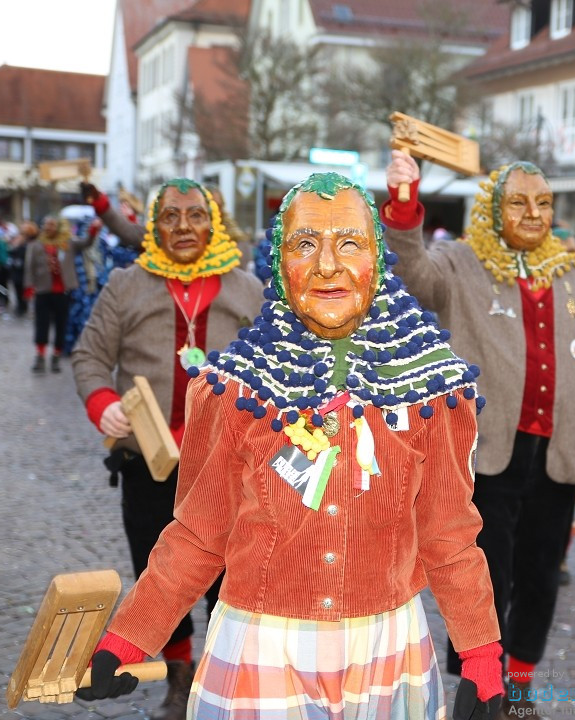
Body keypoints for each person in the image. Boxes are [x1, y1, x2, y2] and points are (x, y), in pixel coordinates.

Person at [76, 172, 504, 720]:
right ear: (280, 263)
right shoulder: (234, 391)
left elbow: (449, 535)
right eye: (306, 244)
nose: (328, 264)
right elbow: (197, 536)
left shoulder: (433, 394)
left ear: (378, 257)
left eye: (349, 243)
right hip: (261, 650)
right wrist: (127, 640)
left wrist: (483, 657)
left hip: (387, 652)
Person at [382, 152, 575, 717]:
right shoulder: (460, 262)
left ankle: (520, 685)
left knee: (540, 579)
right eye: (519, 202)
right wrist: (404, 207)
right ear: (493, 209)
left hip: (556, 455)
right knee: (481, 583)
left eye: (544, 203)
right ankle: (478, 693)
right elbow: (412, 276)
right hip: (484, 455)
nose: (533, 213)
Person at [71, 178, 263, 720]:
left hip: (228, 464)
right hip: (149, 462)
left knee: (231, 573)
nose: (184, 227)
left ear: (215, 222)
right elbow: (89, 355)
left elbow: (280, 364)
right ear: (152, 225)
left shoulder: (247, 289)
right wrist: (102, 401)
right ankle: (179, 674)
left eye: (196, 215)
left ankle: (226, 675)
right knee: (160, 572)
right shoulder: (126, 286)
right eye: (171, 216)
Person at [24, 216, 92, 373]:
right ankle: (40, 356)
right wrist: (29, 286)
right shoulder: (36, 245)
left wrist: (93, 231)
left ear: (58, 227)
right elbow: (29, 267)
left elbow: (86, 243)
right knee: (42, 324)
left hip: (62, 291)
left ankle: (56, 356)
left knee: (61, 325)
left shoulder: (68, 242)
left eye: (52, 224)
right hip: (42, 290)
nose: (48, 227)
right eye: (46, 224)